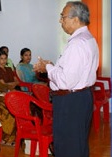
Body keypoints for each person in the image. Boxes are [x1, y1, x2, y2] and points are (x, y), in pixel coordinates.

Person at [33, 2, 99, 157]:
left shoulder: (77, 44)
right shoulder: (89, 39)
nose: (60, 21)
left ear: (75, 20)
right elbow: (73, 73)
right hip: (82, 97)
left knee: (67, 148)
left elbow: (66, 81)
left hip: (70, 101)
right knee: (79, 145)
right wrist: (52, 67)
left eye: (62, 17)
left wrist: (47, 68)